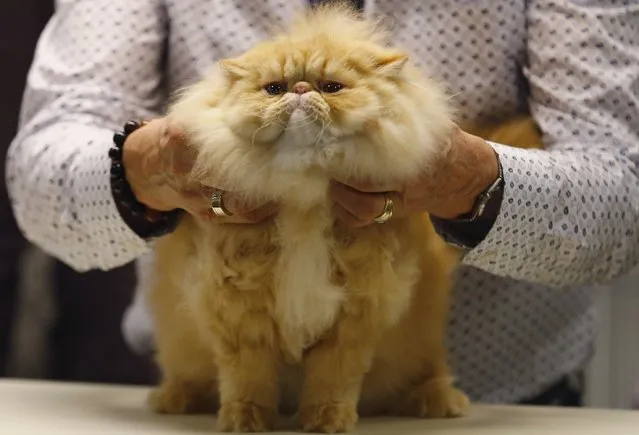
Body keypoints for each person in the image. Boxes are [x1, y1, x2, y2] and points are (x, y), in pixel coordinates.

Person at [6, 0, 639, 407]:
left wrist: (466, 181)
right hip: (207, 401)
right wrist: (144, 169)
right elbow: (39, 182)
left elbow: (622, 200)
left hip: (496, 403)